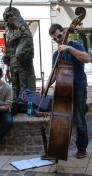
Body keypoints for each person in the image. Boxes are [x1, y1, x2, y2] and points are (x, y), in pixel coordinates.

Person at [48, 24, 90, 159]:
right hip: (63, 89)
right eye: (55, 39)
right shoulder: (56, 53)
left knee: (79, 119)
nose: (58, 40)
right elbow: (54, 73)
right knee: (60, 119)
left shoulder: (75, 45)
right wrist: (46, 86)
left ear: (65, 32)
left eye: (59, 36)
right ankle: (58, 149)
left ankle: (82, 148)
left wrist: (69, 48)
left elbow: (86, 58)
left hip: (78, 87)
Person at [3, 6, 36, 98]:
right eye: (7, 17)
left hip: (22, 63)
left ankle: (25, 103)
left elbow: (27, 38)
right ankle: (16, 102)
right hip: (13, 64)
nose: (8, 19)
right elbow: (9, 46)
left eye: (10, 17)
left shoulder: (23, 27)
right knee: (15, 85)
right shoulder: (9, 32)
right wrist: (7, 58)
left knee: (24, 85)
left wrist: (20, 53)